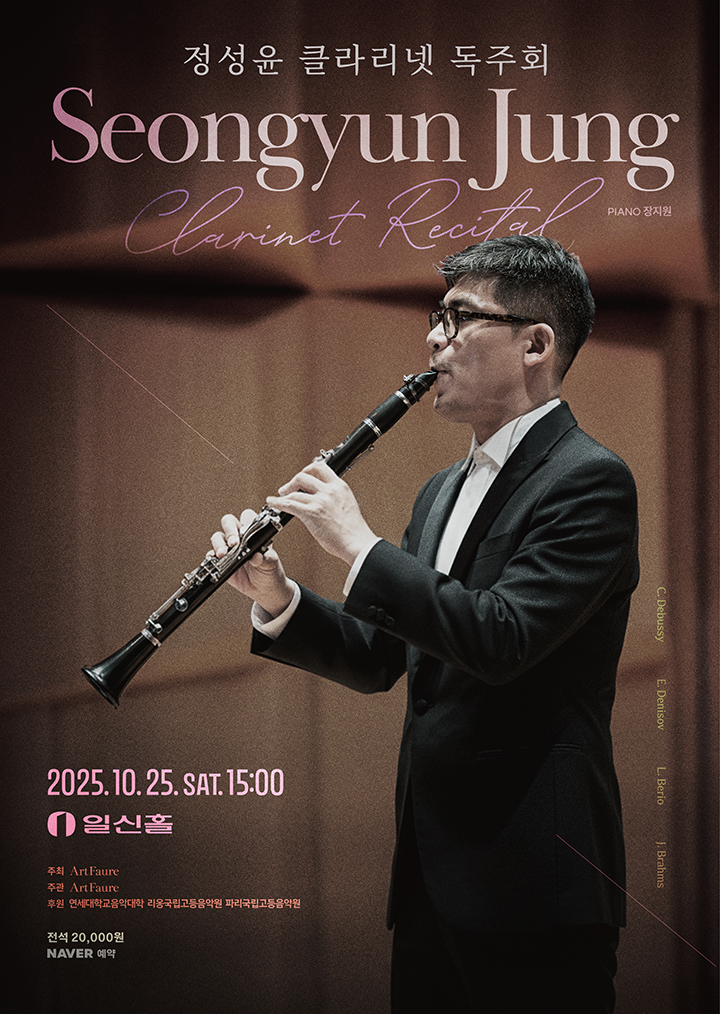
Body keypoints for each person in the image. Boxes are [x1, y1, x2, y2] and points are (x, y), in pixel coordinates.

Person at [211, 235, 640, 1013]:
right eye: (435, 318)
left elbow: (502, 639)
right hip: (429, 884)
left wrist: (357, 543)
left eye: (459, 317)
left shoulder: (590, 481)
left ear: (535, 344)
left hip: (535, 885)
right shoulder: (441, 491)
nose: (435, 339)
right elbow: (385, 656)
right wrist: (278, 598)